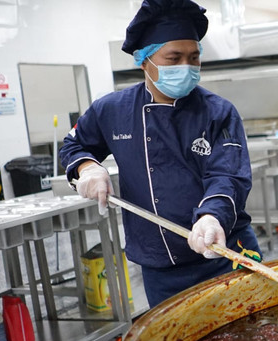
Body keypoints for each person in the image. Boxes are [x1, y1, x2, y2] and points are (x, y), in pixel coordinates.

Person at [59, 0, 260, 308]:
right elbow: (74, 145)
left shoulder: (218, 112)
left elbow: (228, 176)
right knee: (177, 338)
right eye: (174, 58)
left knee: (251, 331)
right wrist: (88, 168)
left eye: (194, 57)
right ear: (144, 61)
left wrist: (211, 217)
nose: (186, 66)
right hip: (159, 265)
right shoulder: (112, 110)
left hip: (225, 253)